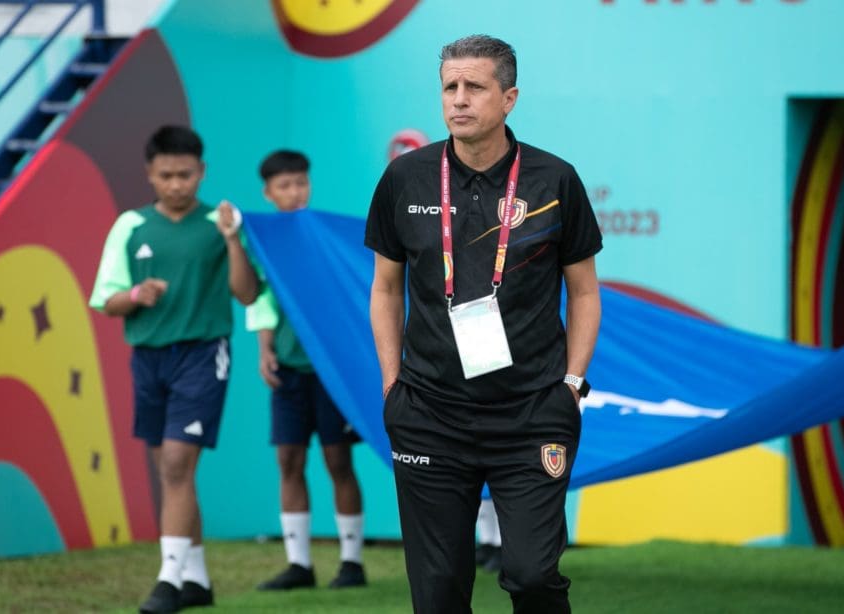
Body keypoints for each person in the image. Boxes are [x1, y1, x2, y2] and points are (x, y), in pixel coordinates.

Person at [365, 34, 602, 613]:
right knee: (439, 590)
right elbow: (385, 287)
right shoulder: (406, 179)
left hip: (531, 412)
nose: (459, 100)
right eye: (450, 87)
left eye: (475, 87)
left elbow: (586, 292)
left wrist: (570, 385)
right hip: (429, 413)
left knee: (530, 574)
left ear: (509, 98)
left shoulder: (554, 179)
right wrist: (394, 386)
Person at [88, 125, 259, 614]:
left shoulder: (220, 222)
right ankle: (197, 580)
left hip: (203, 355)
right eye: (166, 175)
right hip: (148, 357)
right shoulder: (130, 226)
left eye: (186, 175)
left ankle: (167, 581)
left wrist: (231, 240)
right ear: (150, 174)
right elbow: (107, 300)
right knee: (171, 469)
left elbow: (246, 294)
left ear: (201, 172)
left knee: (179, 465)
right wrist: (137, 296)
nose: (177, 184)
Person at [247, 150, 368, 590]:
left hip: (331, 372)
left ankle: (351, 562)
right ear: (268, 192)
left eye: (301, 183)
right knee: (289, 460)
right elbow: (260, 297)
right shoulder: (263, 240)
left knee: (339, 459)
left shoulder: (323, 235)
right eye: (284, 186)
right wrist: (264, 347)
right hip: (289, 372)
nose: (294, 192)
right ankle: (299, 564)